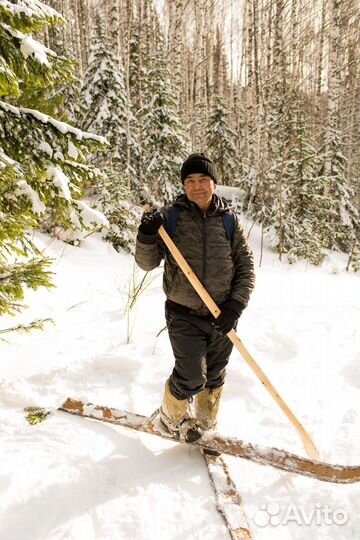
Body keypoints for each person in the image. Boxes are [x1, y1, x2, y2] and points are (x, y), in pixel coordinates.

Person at [135, 153, 255, 442]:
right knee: (190, 377)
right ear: (184, 185)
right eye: (190, 180)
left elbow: (246, 267)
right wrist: (147, 234)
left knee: (214, 377)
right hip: (183, 312)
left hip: (222, 315)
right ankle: (170, 418)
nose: (197, 186)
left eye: (203, 179)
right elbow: (147, 263)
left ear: (214, 183)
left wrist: (235, 306)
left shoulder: (229, 222)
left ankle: (204, 425)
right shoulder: (170, 218)